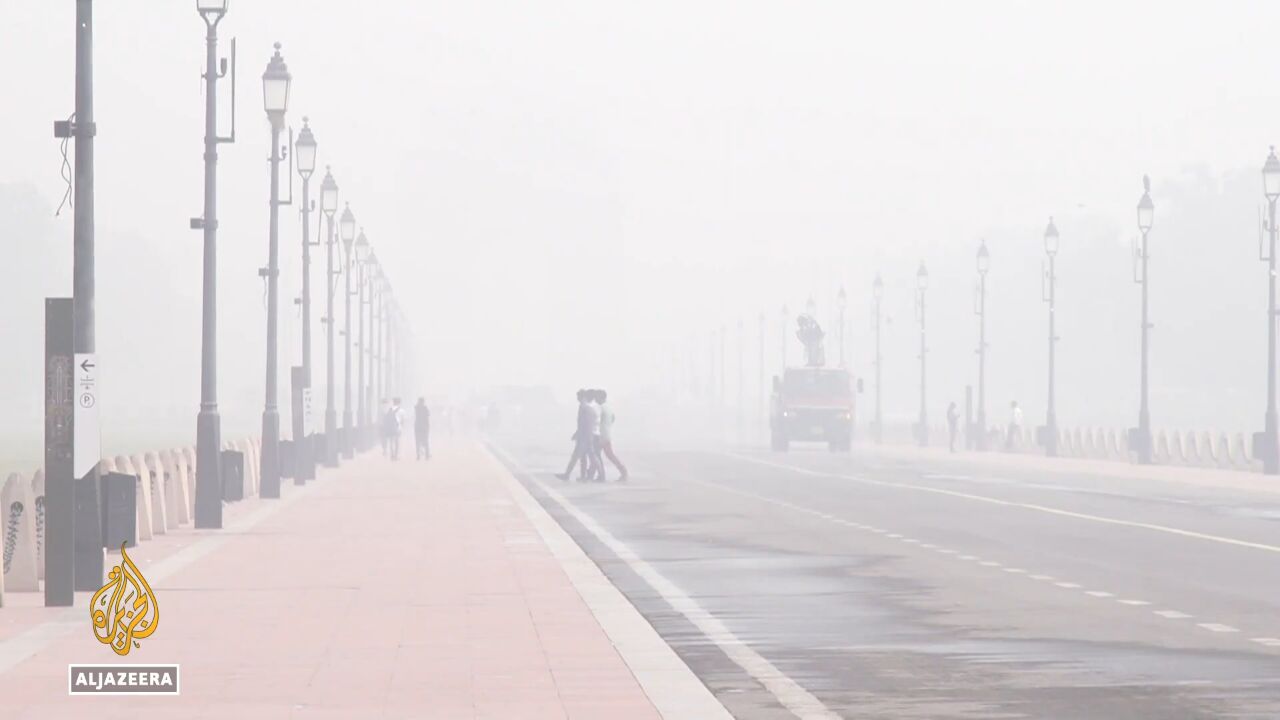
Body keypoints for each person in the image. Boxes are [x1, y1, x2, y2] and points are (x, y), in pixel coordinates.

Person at [556, 390, 599, 481]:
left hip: (584, 437)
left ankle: (567, 475)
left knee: (578, 457)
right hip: (586, 436)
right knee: (588, 457)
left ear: (583, 397)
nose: (577, 399)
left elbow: (584, 424)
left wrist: (579, 434)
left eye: (578, 397)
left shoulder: (585, 408)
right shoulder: (587, 408)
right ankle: (588, 475)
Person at [596, 389, 628, 482]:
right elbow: (613, 418)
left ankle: (623, 471)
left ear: (601, 397)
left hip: (602, 435)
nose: (595, 399)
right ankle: (598, 474)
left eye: (597, 397)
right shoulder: (608, 407)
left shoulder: (601, 408)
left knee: (603, 455)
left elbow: (596, 421)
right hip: (606, 434)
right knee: (598, 455)